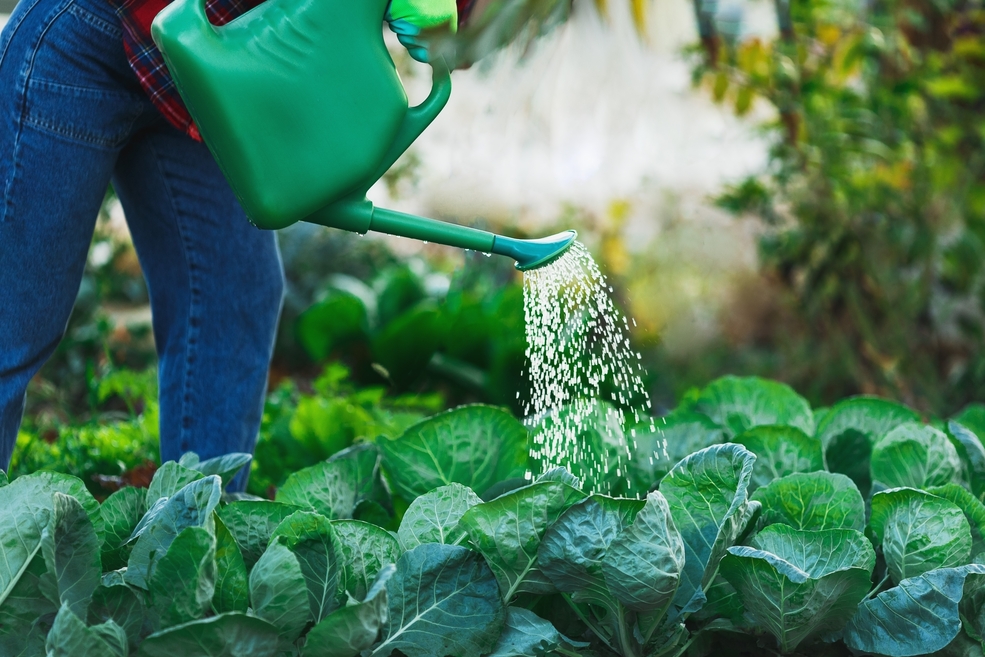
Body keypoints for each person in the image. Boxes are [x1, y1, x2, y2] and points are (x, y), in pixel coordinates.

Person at [0, 0, 467, 490]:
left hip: (208, 71)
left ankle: (197, 526)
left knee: (233, 294)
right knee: (15, 317)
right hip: (88, 36)